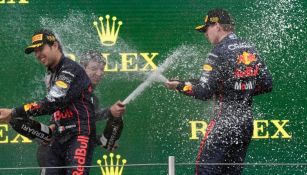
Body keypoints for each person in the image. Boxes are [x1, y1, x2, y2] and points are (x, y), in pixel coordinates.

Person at [165, 9, 272, 175]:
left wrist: (179, 86)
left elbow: (203, 92)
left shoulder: (218, 52)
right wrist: (240, 89)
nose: (205, 34)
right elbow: (266, 83)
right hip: (245, 123)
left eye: (206, 29)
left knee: (205, 170)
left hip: (224, 123)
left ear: (217, 26)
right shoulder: (249, 48)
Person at [0, 29, 95, 175]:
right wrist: (49, 127)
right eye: (35, 51)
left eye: (41, 48)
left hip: (79, 134)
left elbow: (51, 102)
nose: (37, 54)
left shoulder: (69, 69)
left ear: (55, 45)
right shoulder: (51, 74)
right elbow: (61, 106)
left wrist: (13, 112)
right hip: (58, 136)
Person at [36, 51, 126, 174]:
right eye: (94, 68)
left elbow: (82, 125)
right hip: (53, 151)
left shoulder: (92, 98)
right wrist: (109, 111)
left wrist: (106, 139)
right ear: (81, 68)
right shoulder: (71, 88)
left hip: (68, 147)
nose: (99, 73)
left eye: (102, 69)